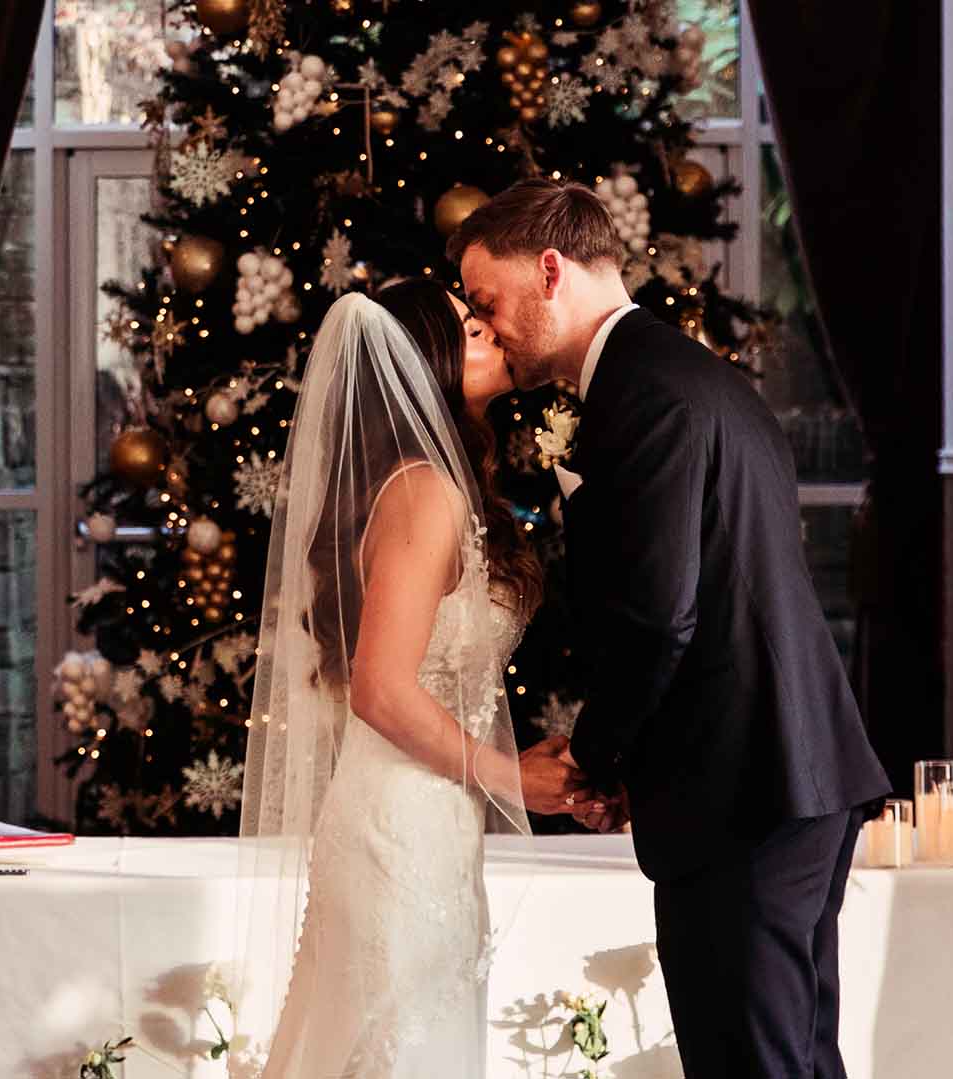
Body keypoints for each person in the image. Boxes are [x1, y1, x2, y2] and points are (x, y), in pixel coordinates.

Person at [451, 179, 891, 1079]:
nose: (486, 325)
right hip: (786, 773)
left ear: (549, 270)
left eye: (488, 301)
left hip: (745, 791)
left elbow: (659, 616)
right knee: (797, 1059)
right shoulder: (680, 374)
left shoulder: (643, 393)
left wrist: (597, 758)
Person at [235, 284, 591, 1078]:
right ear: (425, 361)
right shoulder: (423, 492)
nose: (496, 333)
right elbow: (382, 690)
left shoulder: (437, 483)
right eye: (471, 329)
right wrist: (511, 777)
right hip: (396, 824)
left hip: (431, 816)